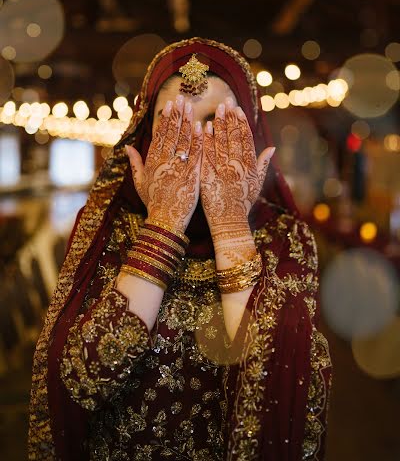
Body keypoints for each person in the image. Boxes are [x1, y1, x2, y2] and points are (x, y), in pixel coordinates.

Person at [29, 38, 332, 460]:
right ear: (147, 134)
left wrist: (228, 224)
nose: (191, 144)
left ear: (249, 132)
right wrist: (164, 225)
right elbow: (82, 382)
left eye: (216, 123)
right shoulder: (107, 227)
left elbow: (285, 394)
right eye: (172, 123)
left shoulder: (283, 237)